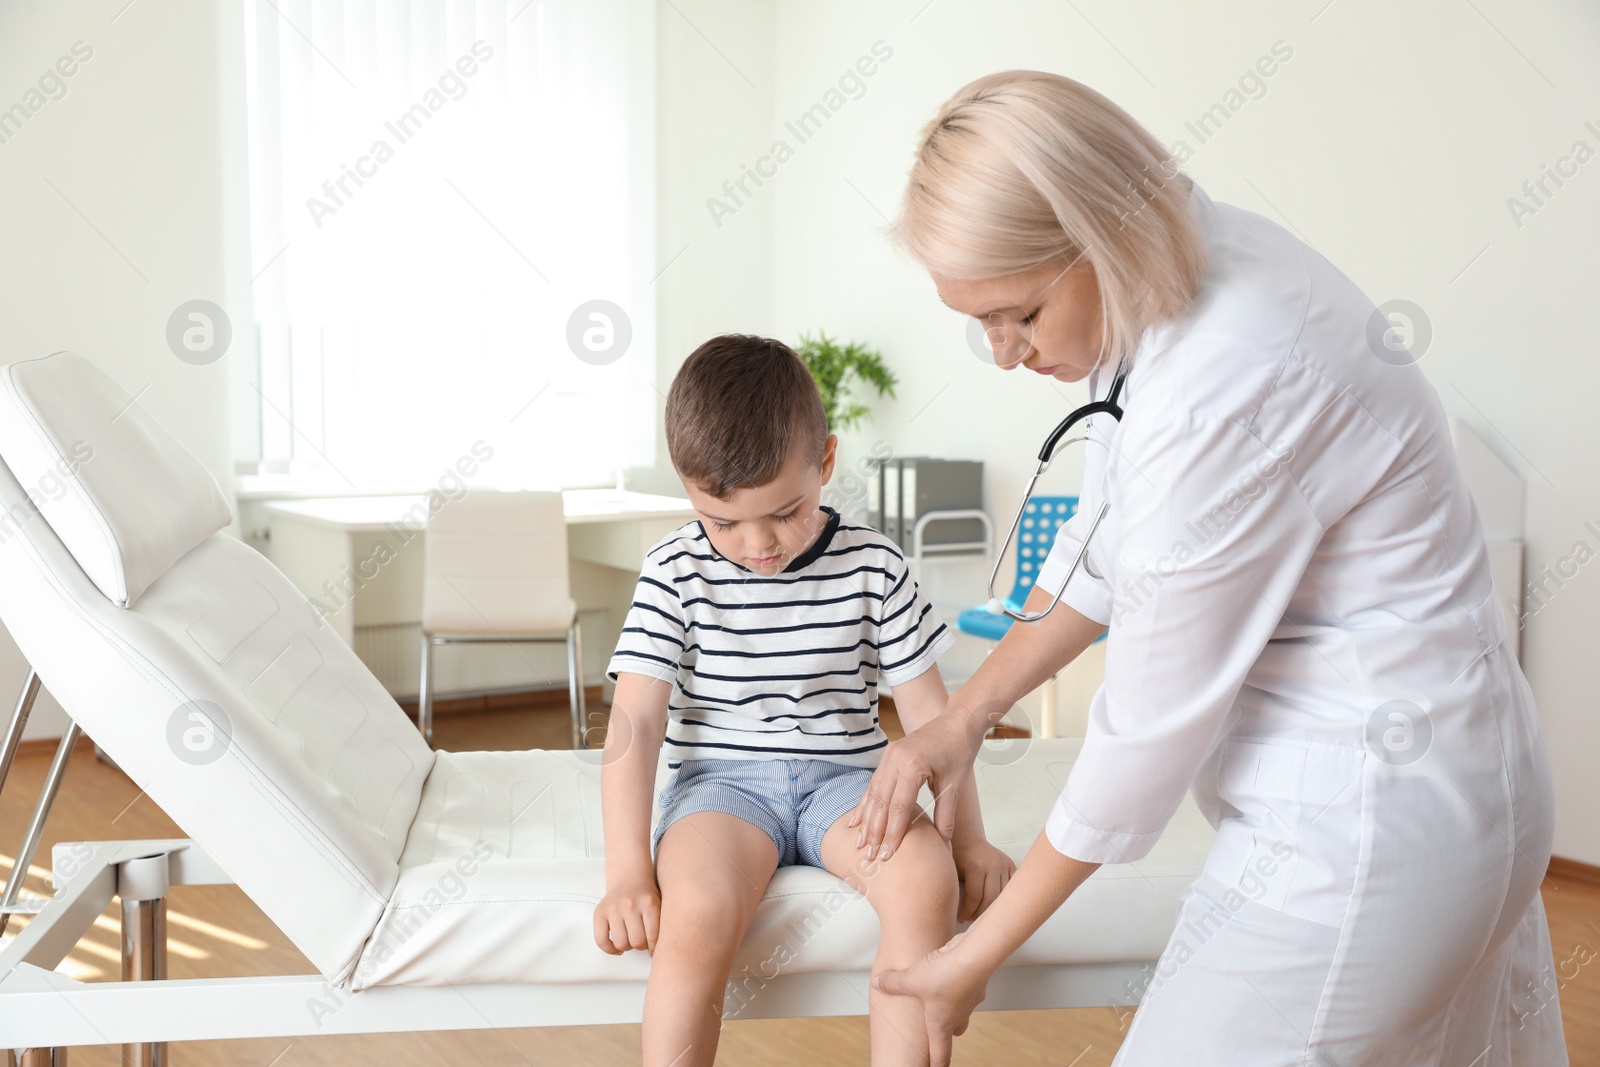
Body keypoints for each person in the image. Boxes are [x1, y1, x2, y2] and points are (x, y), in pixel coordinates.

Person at [850, 71, 1567, 1066]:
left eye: (1016, 313)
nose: (1002, 352)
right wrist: (961, 719)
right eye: (978, 322)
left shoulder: (1222, 377)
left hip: (1368, 822)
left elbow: (1143, 734)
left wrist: (979, 948)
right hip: (1443, 784)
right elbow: (1106, 550)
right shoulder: (1174, 275)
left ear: (1096, 230)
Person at [594, 333, 1016, 1067]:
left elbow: (932, 723)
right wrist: (628, 871)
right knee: (697, 911)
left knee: (924, 882)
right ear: (690, 490)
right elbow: (636, 723)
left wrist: (968, 842)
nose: (757, 543)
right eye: (723, 521)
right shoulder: (673, 568)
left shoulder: (875, 564)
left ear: (825, 461)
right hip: (720, 789)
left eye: (785, 511)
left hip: (851, 783)